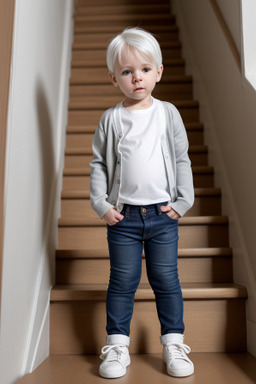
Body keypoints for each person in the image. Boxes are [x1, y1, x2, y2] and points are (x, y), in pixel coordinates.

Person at [90, 27, 195, 379]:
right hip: (124, 219)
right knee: (123, 281)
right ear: (113, 78)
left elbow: (181, 159)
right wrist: (101, 205)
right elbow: (100, 165)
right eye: (127, 71)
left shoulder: (168, 114)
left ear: (159, 72)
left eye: (145, 69)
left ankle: (173, 343)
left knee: (166, 279)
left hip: (163, 216)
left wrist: (183, 201)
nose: (137, 77)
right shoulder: (112, 119)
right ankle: (118, 345)